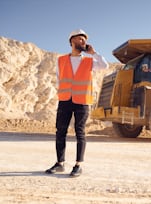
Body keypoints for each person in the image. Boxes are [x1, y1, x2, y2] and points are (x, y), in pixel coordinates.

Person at [45, 29, 109, 177]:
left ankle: (78, 165)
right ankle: (60, 163)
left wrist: (93, 53)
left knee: (80, 133)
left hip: (82, 101)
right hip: (65, 100)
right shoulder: (60, 60)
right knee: (60, 132)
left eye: (84, 40)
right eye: (80, 39)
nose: (83, 42)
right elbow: (59, 78)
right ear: (72, 41)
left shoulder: (90, 61)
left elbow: (104, 66)